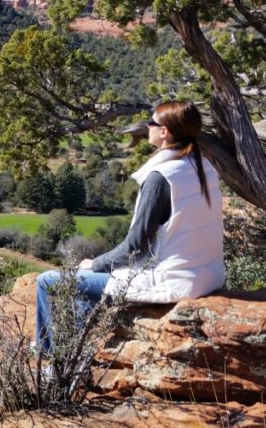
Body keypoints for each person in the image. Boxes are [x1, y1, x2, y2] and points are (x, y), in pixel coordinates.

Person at [35, 101, 224, 353]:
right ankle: (74, 353)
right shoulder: (204, 167)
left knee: (47, 282)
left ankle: (52, 359)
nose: (148, 127)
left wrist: (97, 263)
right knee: (87, 288)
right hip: (208, 275)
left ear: (165, 132)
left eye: (152, 123)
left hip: (174, 279)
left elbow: (136, 247)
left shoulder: (161, 177)